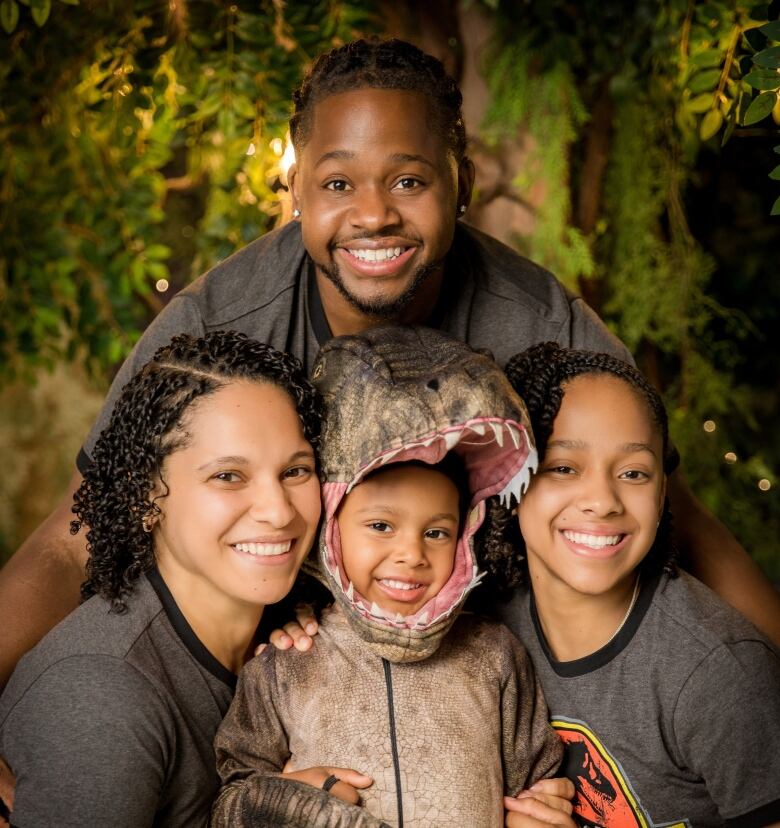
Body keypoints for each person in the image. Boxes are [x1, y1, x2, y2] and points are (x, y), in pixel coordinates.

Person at [2, 37, 778, 689]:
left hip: (481, 669)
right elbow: (76, 536)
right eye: (338, 183)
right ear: (296, 190)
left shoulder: (537, 323)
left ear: (461, 185)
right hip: (282, 668)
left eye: (410, 180)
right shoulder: (223, 322)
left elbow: (677, 518)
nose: (373, 213)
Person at [210, 325, 569, 828]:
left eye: (438, 533)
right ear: (331, 528)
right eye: (380, 526)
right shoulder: (285, 664)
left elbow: (536, 783)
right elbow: (233, 797)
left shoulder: (496, 655)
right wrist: (288, 800)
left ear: (466, 533)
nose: (411, 554)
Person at [0, 331, 361, 826]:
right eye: (228, 476)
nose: (279, 512)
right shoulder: (103, 697)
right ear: (146, 498)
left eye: (295, 471)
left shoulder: (288, 638)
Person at [494, 343, 780, 826]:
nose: (603, 501)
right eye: (564, 468)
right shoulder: (488, 623)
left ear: (662, 492)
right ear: (511, 478)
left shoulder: (719, 675)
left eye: (633, 473)